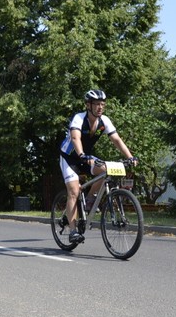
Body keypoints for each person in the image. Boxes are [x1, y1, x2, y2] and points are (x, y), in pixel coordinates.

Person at [58, 89, 137, 244]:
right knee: (73, 192)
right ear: (88, 105)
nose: (100, 107)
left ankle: (89, 199)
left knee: (106, 170)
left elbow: (116, 140)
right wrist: (81, 154)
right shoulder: (79, 118)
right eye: (97, 104)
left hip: (86, 157)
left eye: (102, 104)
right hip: (70, 158)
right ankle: (73, 232)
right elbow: (75, 137)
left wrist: (130, 157)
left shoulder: (104, 121)